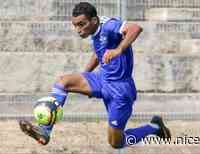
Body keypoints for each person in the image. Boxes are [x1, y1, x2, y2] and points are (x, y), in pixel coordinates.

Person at [19, 2, 171, 148]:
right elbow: (99, 53)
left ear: (94, 20)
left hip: (120, 90)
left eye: (81, 24)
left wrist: (119, 49)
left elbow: (135, 28)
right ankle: (45, 130)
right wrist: (85, 75)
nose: (78, 29)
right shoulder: (95, 31)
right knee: (63, 82)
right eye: (75, 25)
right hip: (101, 80)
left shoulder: (109, 26)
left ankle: (154, 127)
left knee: (116, 142)